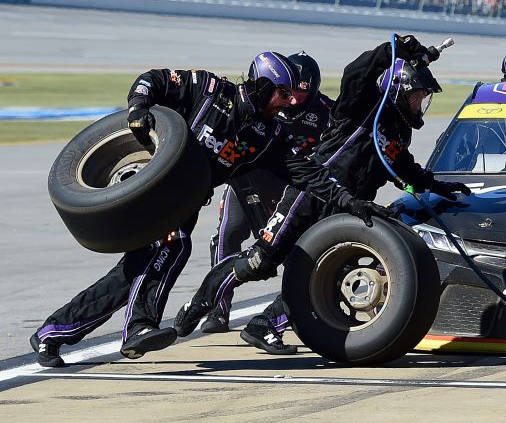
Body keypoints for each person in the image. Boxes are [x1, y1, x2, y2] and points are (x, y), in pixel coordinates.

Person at [171, 34, 472, 340]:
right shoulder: (361, 107)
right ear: (399, 90)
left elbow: (404, 169)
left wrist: (436, 185)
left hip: (344, 209)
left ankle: (264, 326)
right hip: (309, 197)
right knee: (260, 261)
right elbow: (356, 73)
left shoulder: (398, 135)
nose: (421, 103)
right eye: (418, 96)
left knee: (321, 273)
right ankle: (197, 305)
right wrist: (391, 49)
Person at [30, 51, 310, 368]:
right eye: (283, 93)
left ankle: (51, 332)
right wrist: (138, 108)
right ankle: (138, 327)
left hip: (185, 205)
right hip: (152, 195)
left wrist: (341, 193)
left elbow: (303, 172)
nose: (290, 102)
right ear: (263, 84)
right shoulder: (209, 88)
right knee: (173, 245)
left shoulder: (267, 135)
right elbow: (153, 79)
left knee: (130, 277)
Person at [201, 52, 333, 355]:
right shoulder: (260, 103)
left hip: (289, 188)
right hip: (247, 176)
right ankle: (217, 308)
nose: (294, 101)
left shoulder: (327, 113)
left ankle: (287, 310)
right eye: (289, 92)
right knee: (226, 234)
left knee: (292, 251)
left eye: (301, 93)